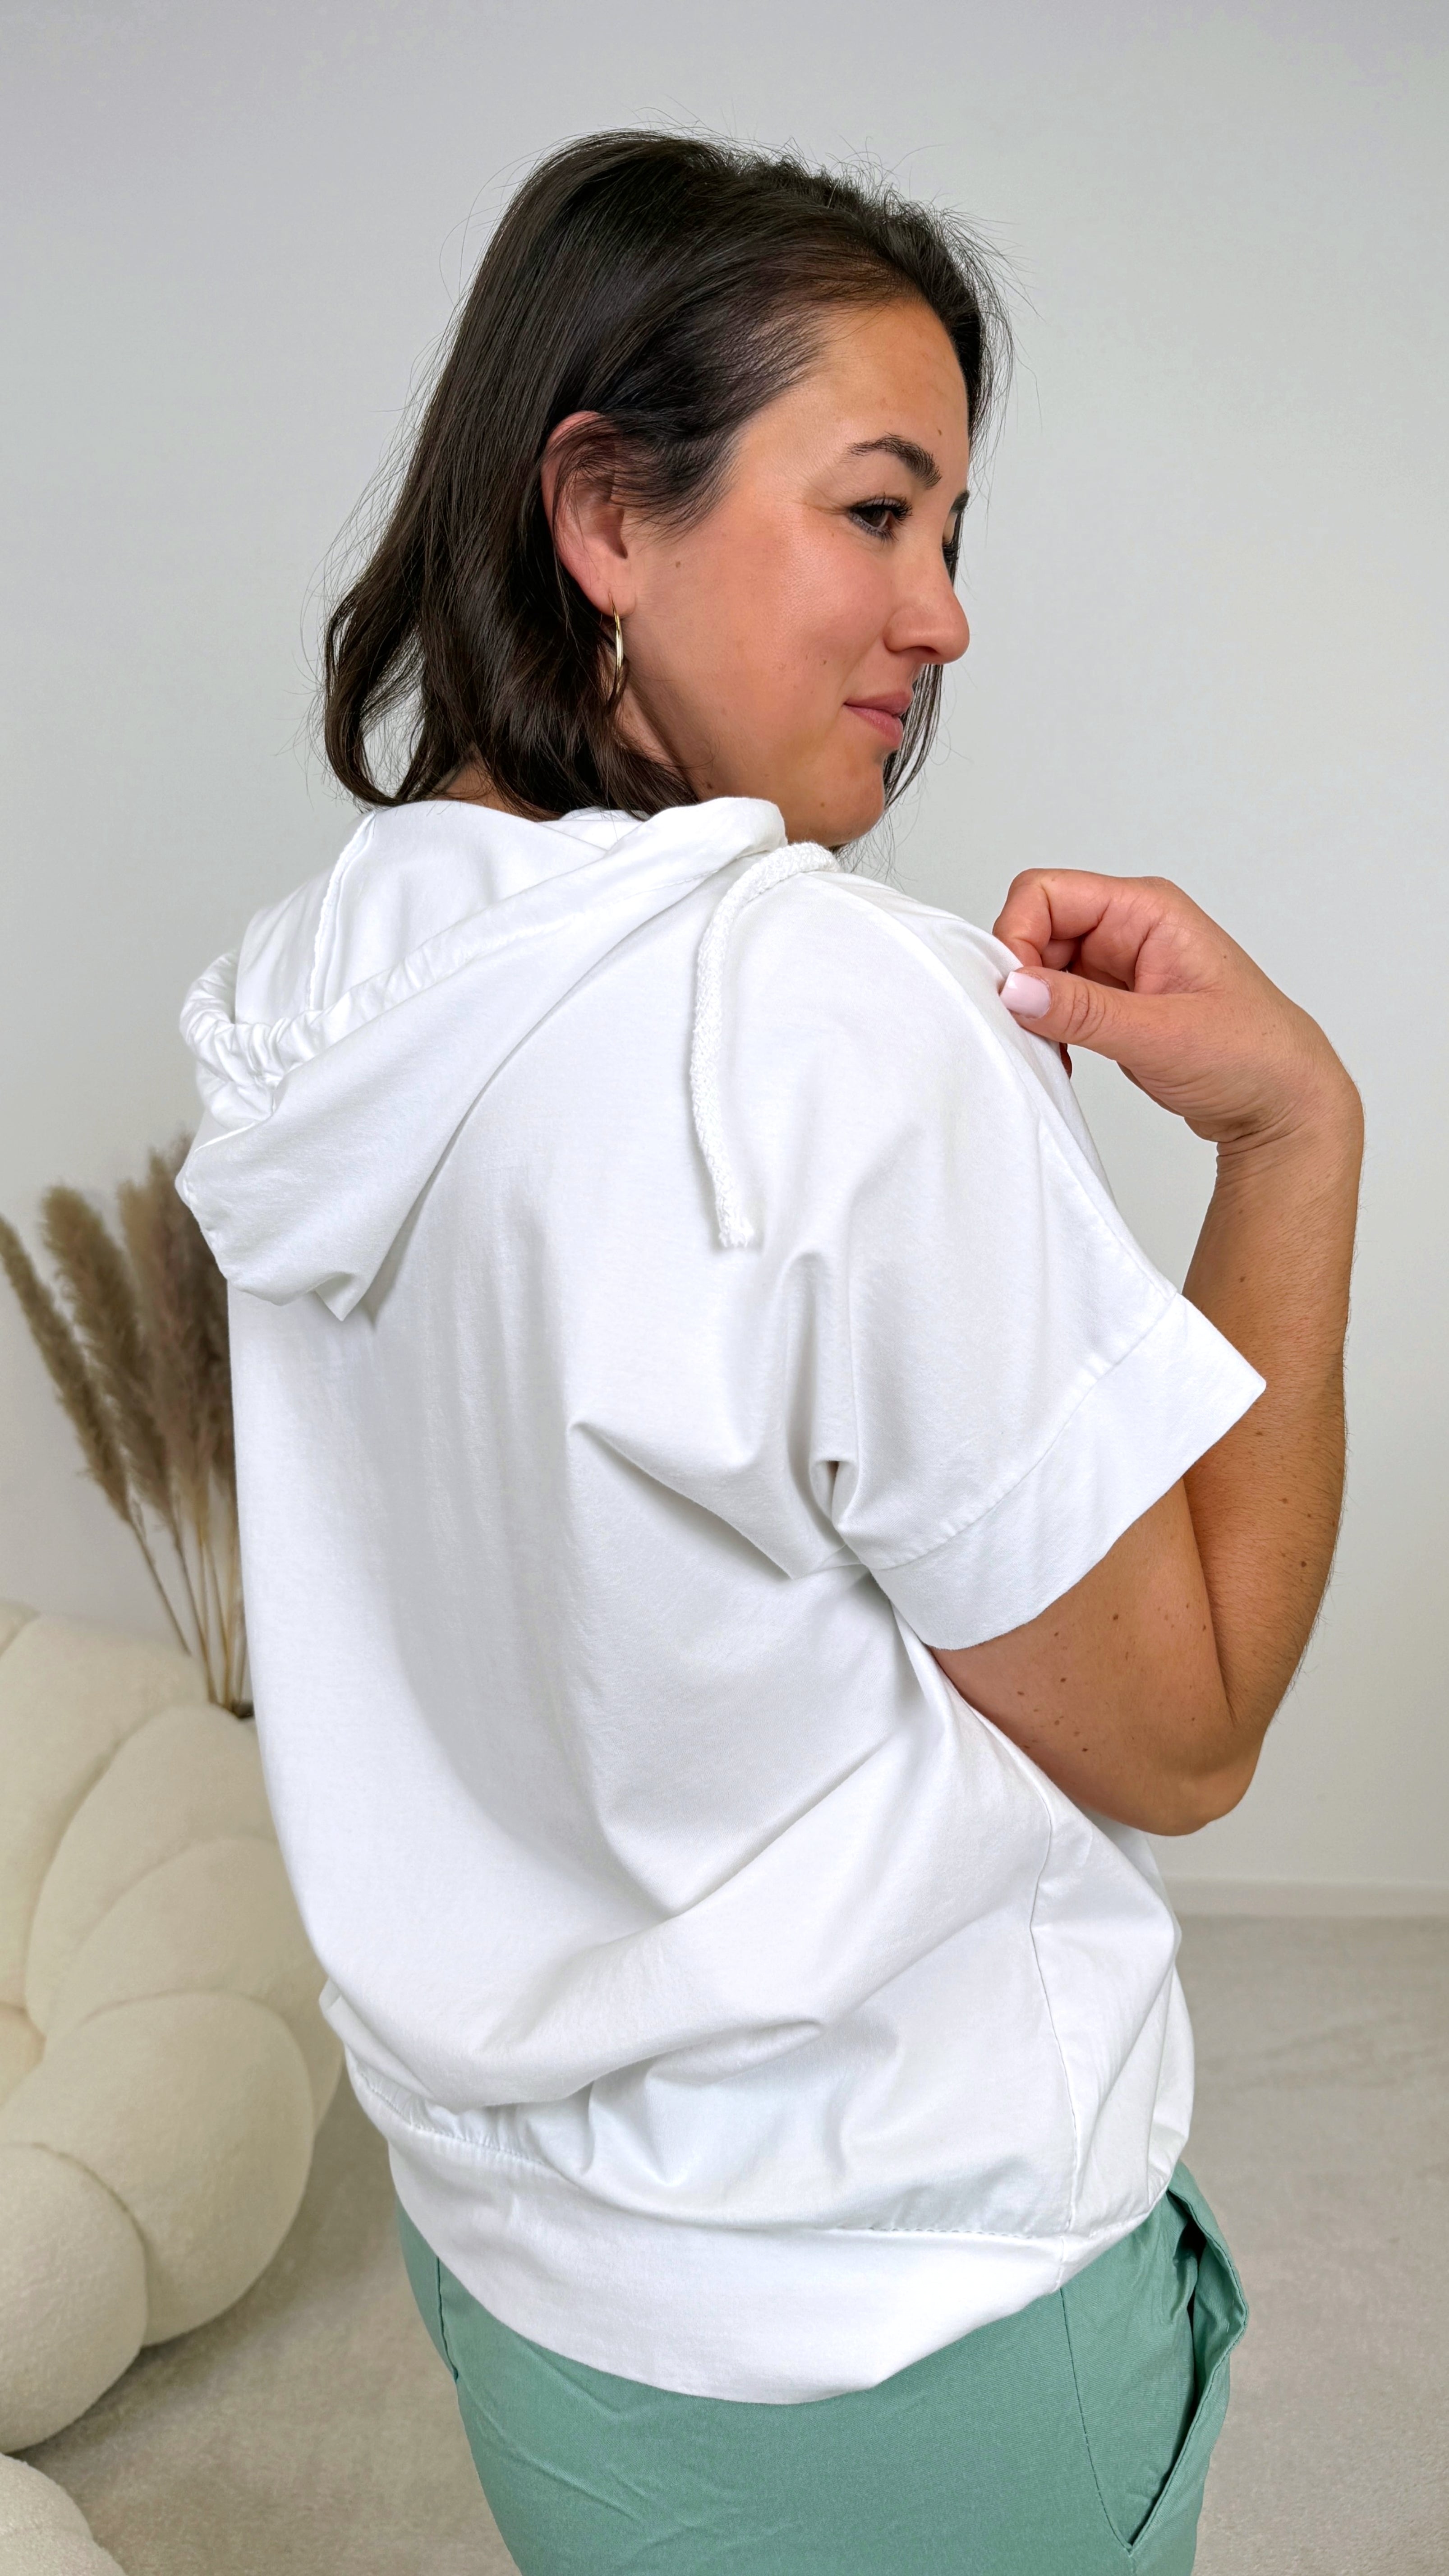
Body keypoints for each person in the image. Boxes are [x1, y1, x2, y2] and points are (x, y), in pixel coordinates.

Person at [177, 132, 1362, 2575]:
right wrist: (1296, 1139)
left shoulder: (320, 999)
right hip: (903, 2327)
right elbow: (1192, 1725)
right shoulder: (822, 1018)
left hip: (537, 2302)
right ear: (605, 511)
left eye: (956, 530)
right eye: (878, 510)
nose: (946, 616)